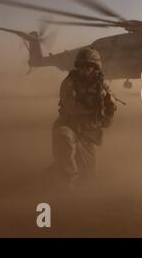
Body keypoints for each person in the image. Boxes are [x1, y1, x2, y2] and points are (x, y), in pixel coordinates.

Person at [51, 48, 117, 187]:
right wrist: (95, 108)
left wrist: (109, 105)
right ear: (78, 66)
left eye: (90, 67)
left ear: (96, 68)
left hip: (88, 133)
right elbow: (71, 107)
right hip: (69, 127)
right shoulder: (69, 83)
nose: (86, 70)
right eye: (82, 66)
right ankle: (66, 187)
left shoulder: (102, 86)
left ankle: (53, 173)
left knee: (88, 176)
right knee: (64, 139)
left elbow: (108, 118)